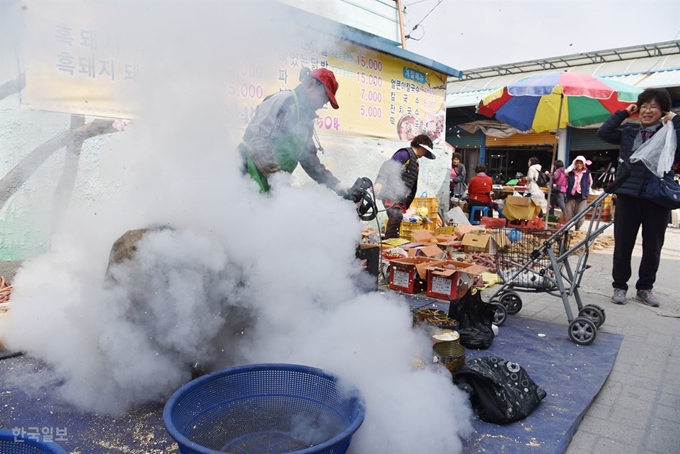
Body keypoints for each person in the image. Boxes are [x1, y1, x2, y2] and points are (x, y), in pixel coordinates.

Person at [597, 87, 680, 307]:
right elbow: (603, 133)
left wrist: (676, 121)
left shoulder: (670, 133)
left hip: (658, 197)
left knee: (652, 246)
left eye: (653, 106)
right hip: (628, 195)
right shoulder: (628, 132)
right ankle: (620, 286)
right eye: (644, 106)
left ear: (662, 111)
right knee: (623, 244)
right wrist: (623, 113)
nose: (647, 110)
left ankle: (645, 288)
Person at [239, 68, 349, 197]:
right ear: (310, 84)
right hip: (246, 173)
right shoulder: (285, 102)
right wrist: (280, 183)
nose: (323, 104)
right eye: (324, 97)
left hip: (270, 182)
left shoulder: (305, 119)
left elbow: (309, 159)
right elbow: (259, 144)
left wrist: (336, 185)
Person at [374, 135, 436, 239]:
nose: (425, 154)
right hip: (391, 193)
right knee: (395, 218)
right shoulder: (404, 154)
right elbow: (388, 166)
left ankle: (393, 244)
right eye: (425, 150)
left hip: (399, 196)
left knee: (397, 218)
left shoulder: (414, 160)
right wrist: (379, 183)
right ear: (421, 147)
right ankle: (389, 246)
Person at [563, 156, 593, 230]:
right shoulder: (571, 173)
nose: (579, 165)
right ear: (575, 164)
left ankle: (577, 228)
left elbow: (590, 182)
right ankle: (566, 228)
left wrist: (586, 189)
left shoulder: (587, 173)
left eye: (581, 163)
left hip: (582, 196)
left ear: (583, 164)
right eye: (577, 163)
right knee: (567, 211)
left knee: (580, 213)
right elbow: (565, 179)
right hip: (571, 195)